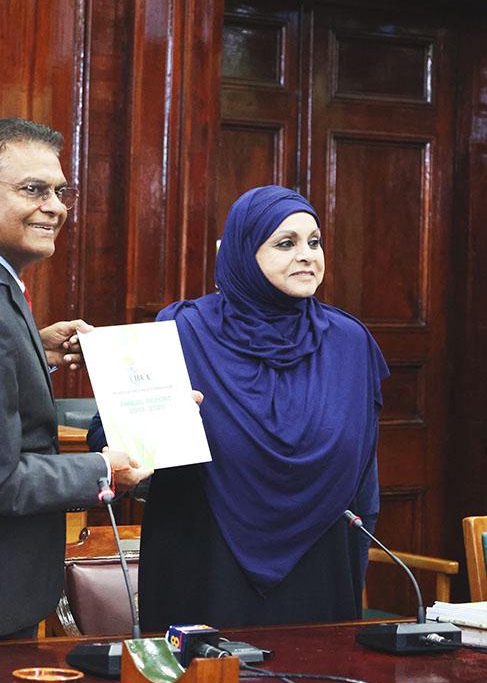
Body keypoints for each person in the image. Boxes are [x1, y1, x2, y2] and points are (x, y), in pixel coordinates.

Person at [88, 185, 389, 630]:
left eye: (314, 241)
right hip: (205, 564)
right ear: (245, 252)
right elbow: (107, 436)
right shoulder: (183, 329)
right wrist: (157, 422)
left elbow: (365, 474)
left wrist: (357, 557)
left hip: (319, 567)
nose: (307, 255)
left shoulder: (349, 341)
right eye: (286, 243)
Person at [0, 117, 151, 643]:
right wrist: (102, 469)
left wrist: (29, 349)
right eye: (34, 189)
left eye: (60, 191)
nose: (56, 206)